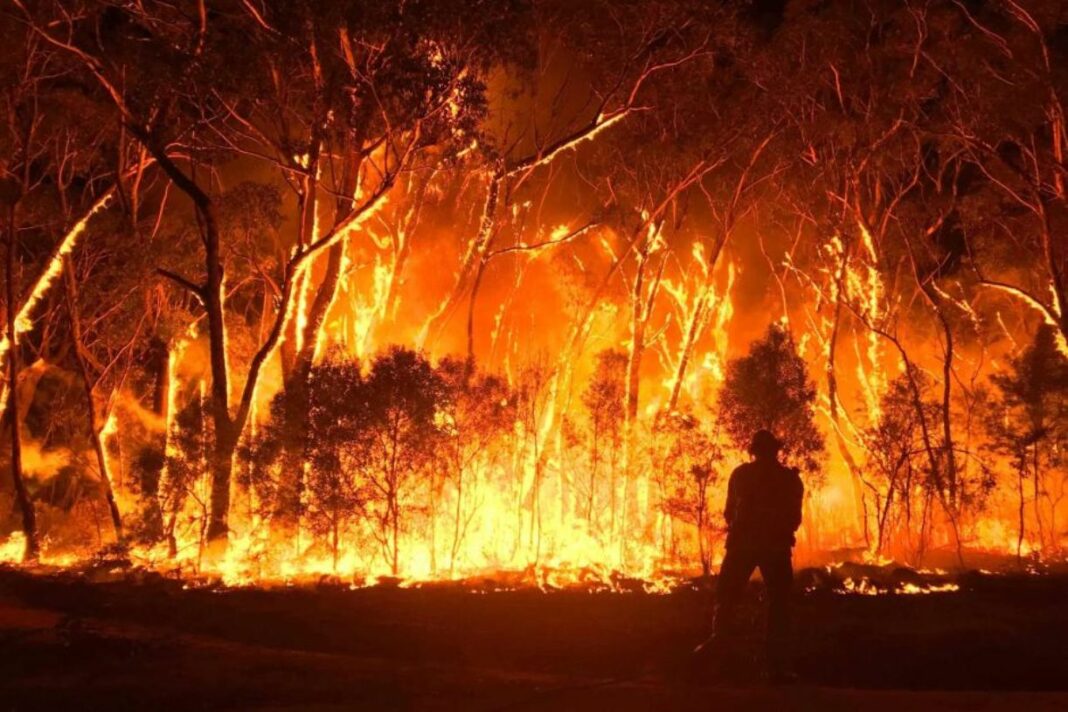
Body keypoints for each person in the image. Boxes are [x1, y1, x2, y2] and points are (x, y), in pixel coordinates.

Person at [695, 429, 804, 682]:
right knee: (779, 603)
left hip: (743, 545)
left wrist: (743, 526)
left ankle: (718, 654)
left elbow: (729, 511)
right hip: (774, 547)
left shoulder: (741, 475)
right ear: (776, 451)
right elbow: (794, 517)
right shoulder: (789, 479)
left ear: (753, 451)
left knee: (727, 597)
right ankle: (776, 666)